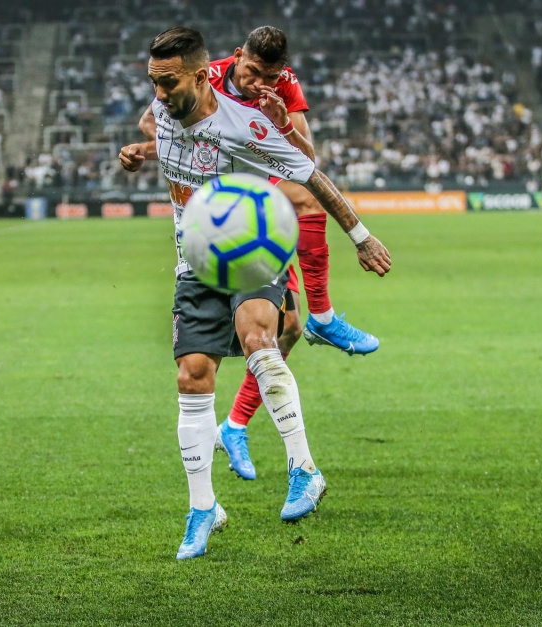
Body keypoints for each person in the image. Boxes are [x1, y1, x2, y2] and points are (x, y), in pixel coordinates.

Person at [118, 27, 391, 560]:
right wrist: (141, 151)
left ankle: (304, 470)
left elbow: (312, 175)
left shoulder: (246, 124)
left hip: (252, 251)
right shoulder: (167, 111)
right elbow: (167, 136)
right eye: (153, 82)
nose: (158, 93)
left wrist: (361, 235)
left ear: (200, 76)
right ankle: (203, 509)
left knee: (259, 339)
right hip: (195, 262)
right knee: (191, 376)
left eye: (168, 82)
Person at [138, 26, 378, 356]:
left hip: (262, 184)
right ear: (238, 56)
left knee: (307, 200)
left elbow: (305, 161)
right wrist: (160, 152)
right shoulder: (205, 77)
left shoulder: (286, 85)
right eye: (253, 72)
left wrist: (283, 125)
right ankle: (240, 406)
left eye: (271, 76)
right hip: (220, 190)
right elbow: (153, 122)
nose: (261, 84)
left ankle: (322, 317)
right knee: (286, 327)